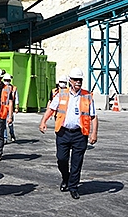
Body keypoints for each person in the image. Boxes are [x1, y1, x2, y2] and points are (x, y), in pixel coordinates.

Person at [39, 67, 98, 200]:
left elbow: (93, 116)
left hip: (80, 133)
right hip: (63, 132)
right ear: (70, 81)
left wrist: (94, 133)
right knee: (61, 159)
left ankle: (73, 186)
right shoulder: (61, 94)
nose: (78, 82)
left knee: (77, 162)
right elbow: (51, 109)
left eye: (80, 80)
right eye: (75, 80)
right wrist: (43, 121)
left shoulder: (87, 96)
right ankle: (66, 177)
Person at [2, 73, 18, 143]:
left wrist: (16, 107)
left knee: (10, 124)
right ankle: (5, 138)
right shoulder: (2, 88)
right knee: (3, 124)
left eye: (8, 80)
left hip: (10, 108)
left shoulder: (13, 89)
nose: (7, 82)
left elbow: (16, 98)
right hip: (3, 108)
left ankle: (12, 135)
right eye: (5, 80)